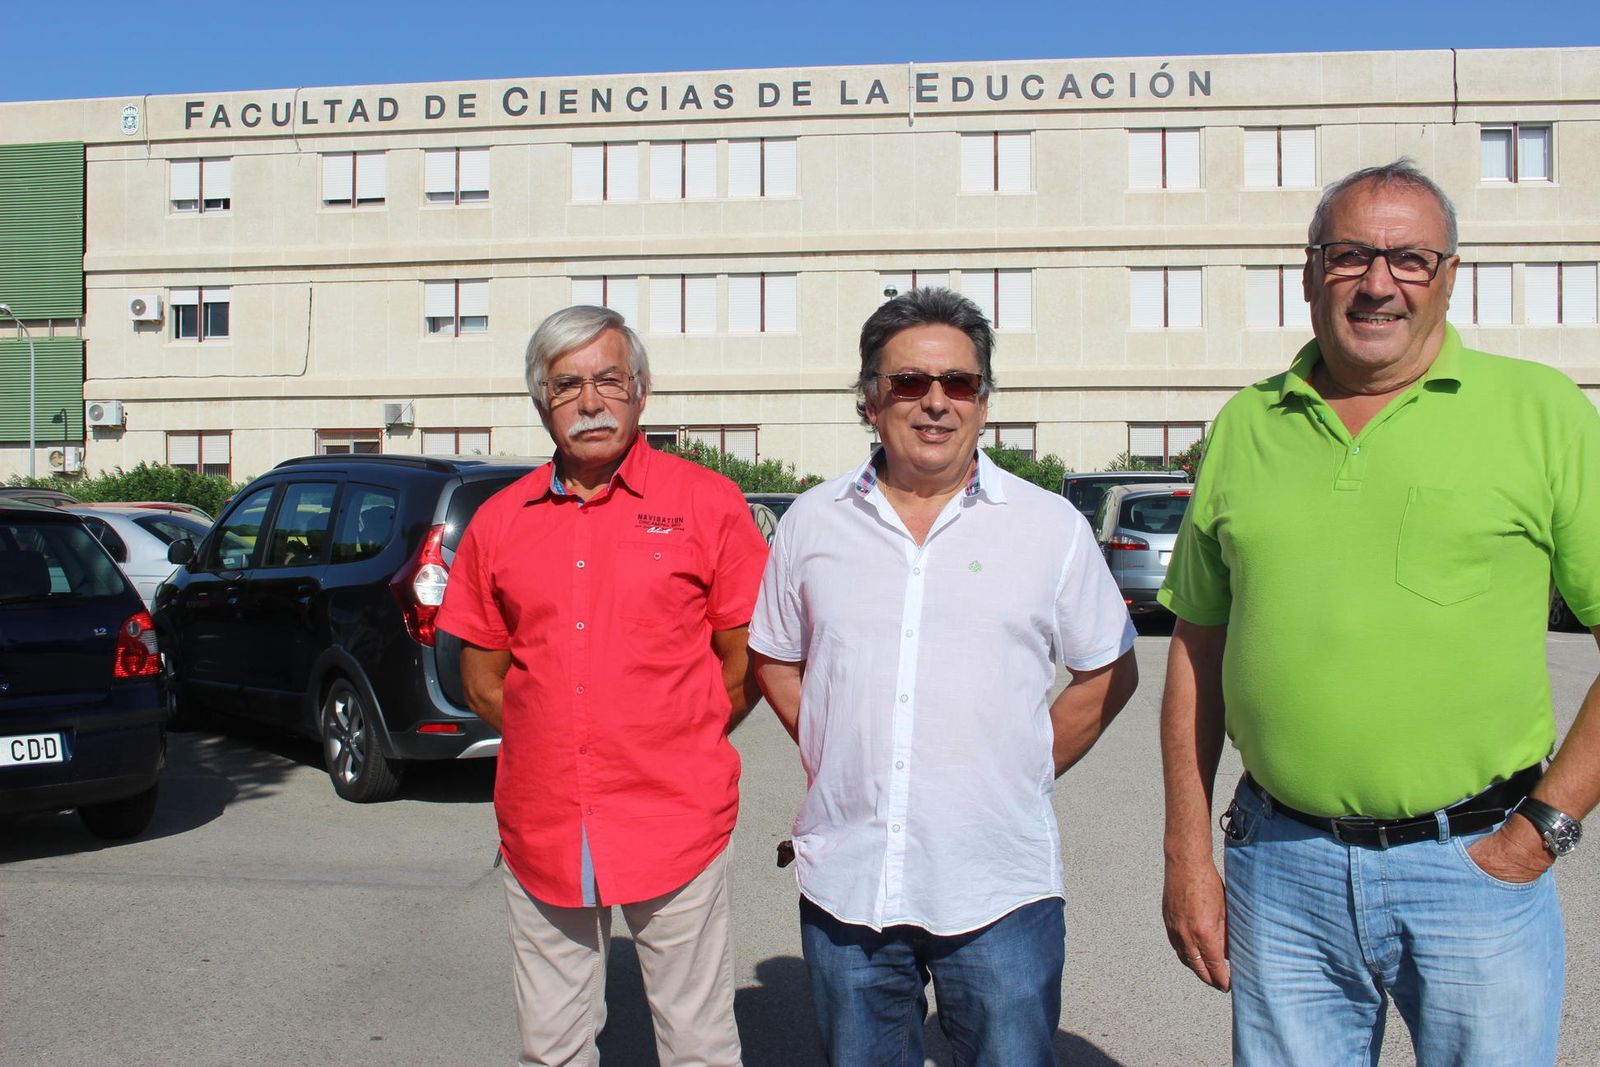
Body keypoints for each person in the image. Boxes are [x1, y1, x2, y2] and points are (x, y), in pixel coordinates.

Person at [1159, 160, 1600, 1066]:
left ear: (1448, 276)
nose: (1377, 283)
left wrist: (1542, 829)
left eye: (1409, 258)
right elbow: (1197, 651)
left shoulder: (1541, 412)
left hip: (1475, 864)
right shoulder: (1247, 424)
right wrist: (1187, 851)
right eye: (1350, 254)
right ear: (1310, 269)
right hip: (1280, 868)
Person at [748, 287, 1139, 1066]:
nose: (935, 402)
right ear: (869, 400)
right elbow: (774, 656)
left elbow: (1108, 670)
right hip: (850, 885)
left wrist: (1024, 762)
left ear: (984, 403)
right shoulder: (812, 523)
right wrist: (839, 753)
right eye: (909, 383)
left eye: (958, 383)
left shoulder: (1047, 527)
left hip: (1000, 887)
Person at [438, 304, 768, 1067]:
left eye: (608, 379)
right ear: (542, 403)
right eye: (566, 386)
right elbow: (483, 673)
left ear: (641, 391)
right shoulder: (498, 519)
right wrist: (553, 732)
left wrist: (671, 735)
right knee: (551, 1045)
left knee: (697, 1042)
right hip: (544, 821)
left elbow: (743, 661)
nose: (590, 402)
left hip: (675, 816)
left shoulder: (707, 504)